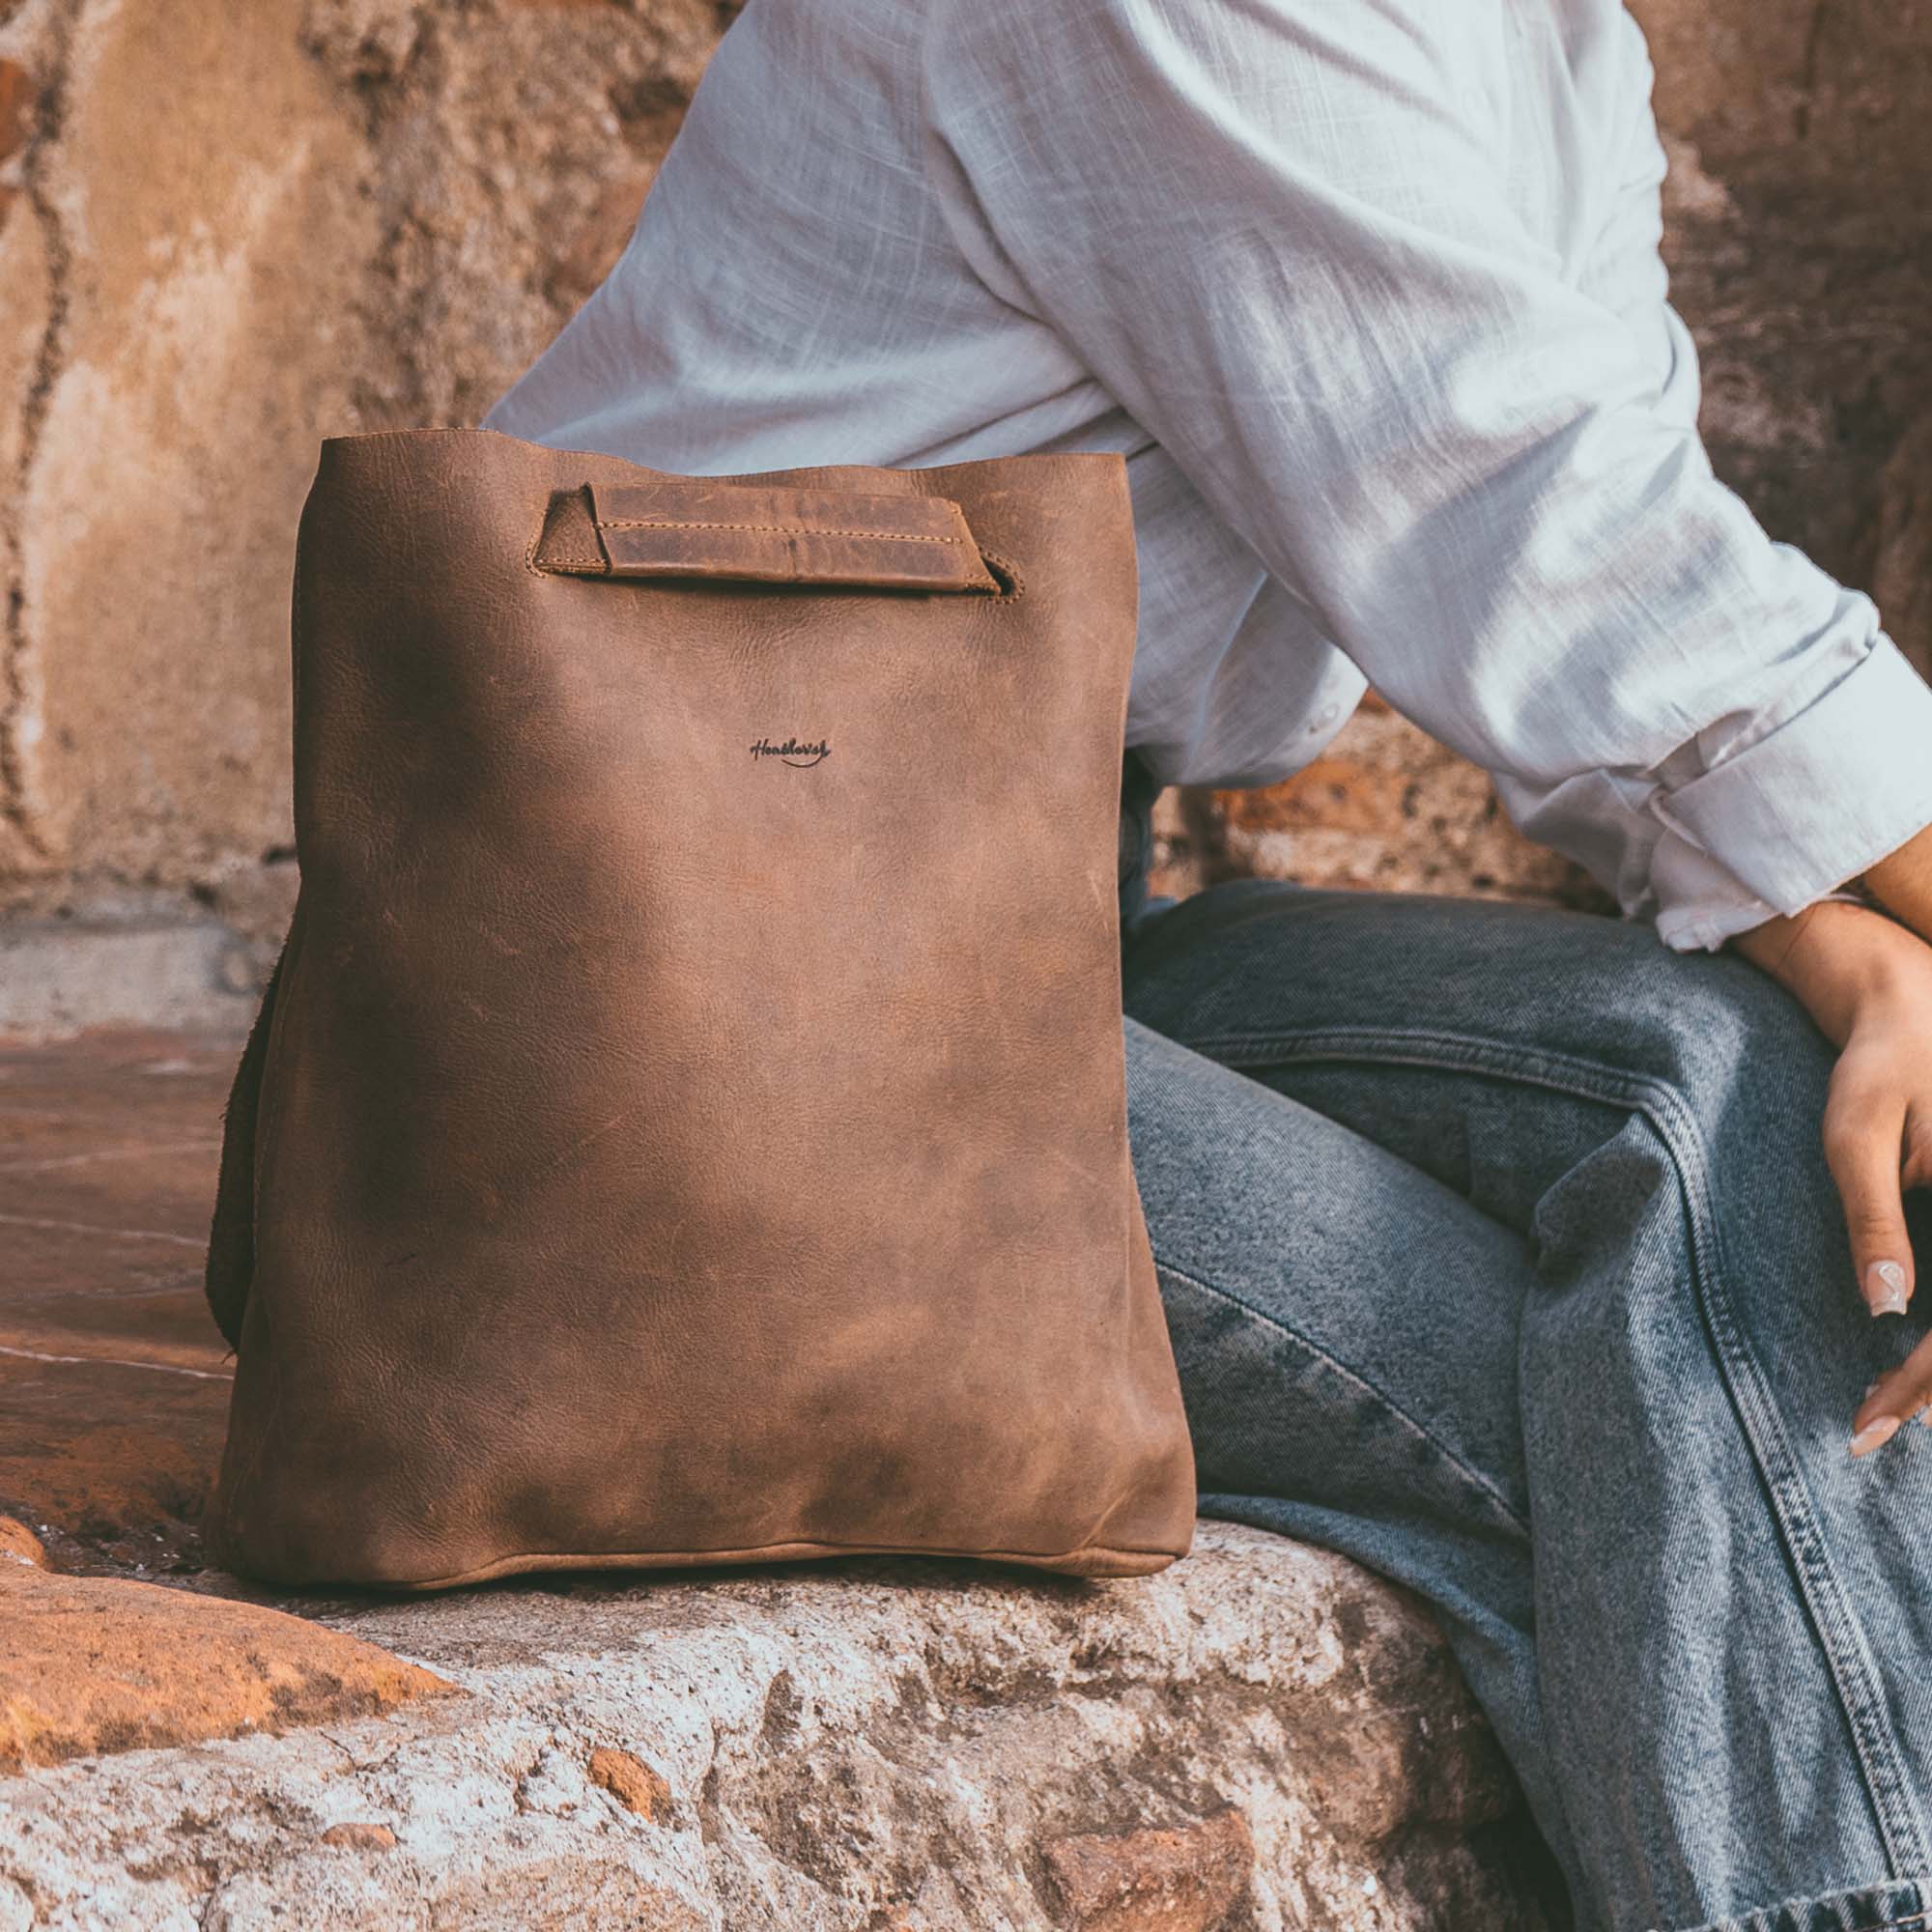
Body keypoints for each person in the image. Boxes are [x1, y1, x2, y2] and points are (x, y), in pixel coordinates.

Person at [480, 2, 1932, 1924]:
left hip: (1045, 901)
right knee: (1722, 1393)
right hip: (655, 965)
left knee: (1764, 1110)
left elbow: (1605, 590)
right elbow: (1533, 514)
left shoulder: (1560, 37)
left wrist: (1841, 947)